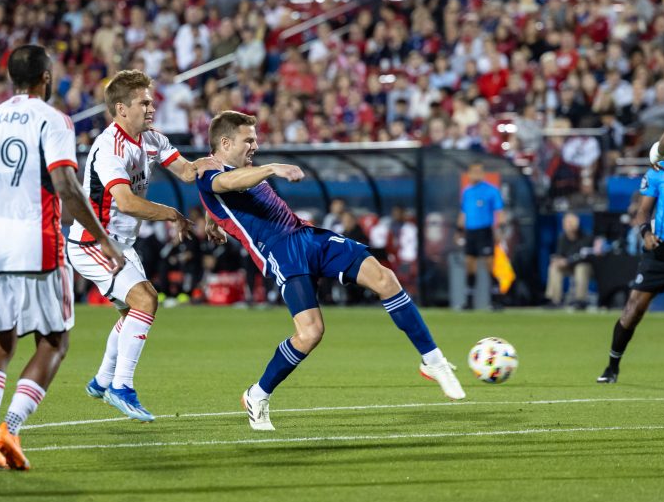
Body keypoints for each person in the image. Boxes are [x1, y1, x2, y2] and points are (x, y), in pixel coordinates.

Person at [196, 110, 465, 431]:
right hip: (282, 253)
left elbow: (224, 191)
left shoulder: (239, 169)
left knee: (385, 278)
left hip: (307, 235)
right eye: (248, 140)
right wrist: (272, 168)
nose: (255, 145)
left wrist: (214, 218)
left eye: (256, 138)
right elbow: (224, 183)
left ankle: (433, 361)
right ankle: (257, 394)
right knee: (311, 333)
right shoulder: (208, 172)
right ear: (225, 143)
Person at [0, 45, 125, 470]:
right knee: (54, 340)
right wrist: (102, 238)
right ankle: (9, 426)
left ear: (12, 80)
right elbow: (66, 185)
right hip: (37, 243)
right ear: (46, 79)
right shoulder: (52, 119)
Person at [66, 69, 220, 422]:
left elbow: (185, 171)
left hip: (124, 244)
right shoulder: (109, 148)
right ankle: (121, 387)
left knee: (131, 313)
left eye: (151, 101)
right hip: (95, 241)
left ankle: (102, 381)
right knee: (146, 300)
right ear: (121, 108)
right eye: (144, 102)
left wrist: (213, 165)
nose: (152, 108)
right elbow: (127, 202)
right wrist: (172, 214)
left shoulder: (151, 139)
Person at [597, 133, 664, 383]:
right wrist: (645, 234)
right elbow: (643, 213)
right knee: (633, 309)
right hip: (661, 250)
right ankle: (612, 367)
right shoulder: (661, 169)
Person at [457, 162, 505, 309]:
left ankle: (496, 300)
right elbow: (463, 213)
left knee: (489, 265)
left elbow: (500, 213)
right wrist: (459, 231)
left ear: (483, 174)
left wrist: (499, 231)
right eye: (473, 172)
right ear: (469, 174)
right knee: (470, 265)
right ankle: (469, 301)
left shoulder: (491, 191)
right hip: (471, 233)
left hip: (485, 231)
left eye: (479, 171)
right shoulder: (466, 192)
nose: (476, 174)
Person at [545, 212, 593, 309]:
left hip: (586, 267)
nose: (569, 225)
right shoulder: (562, 238)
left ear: (577, 223)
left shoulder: (586, 237)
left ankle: (580, 300)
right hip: (569, 267)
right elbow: (560, 254)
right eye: (566, 222)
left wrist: (567, 261)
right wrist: (558, 260)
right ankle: (555, 299)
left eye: (571, 222)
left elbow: (583, 256)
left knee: (581, 268)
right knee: (554, 267)